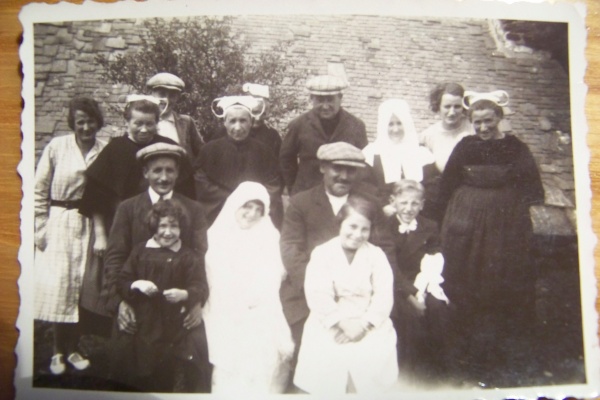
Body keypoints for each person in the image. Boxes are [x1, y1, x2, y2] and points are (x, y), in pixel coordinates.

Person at [437, 90, 544, 387]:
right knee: (465, 277)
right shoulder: (465, 145)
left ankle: (498, 354)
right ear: (470, 122)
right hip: (466, 220)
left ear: (499, 118)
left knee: (498, 280)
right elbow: (447, 185)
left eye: (488, 121)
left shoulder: (516, 147)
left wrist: (511, 212)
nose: (483, 128)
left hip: (505, 223)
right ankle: (464, 350)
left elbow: (532, 188)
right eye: (477, 122)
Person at [279, 142, 395, 381]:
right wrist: (327, 299)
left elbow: (384, 248)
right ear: (323, 167)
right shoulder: (301, 202)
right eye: (337, 168)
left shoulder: (370, 203)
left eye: (351, 170)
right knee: (314, 347)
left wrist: (362, 319)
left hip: (364, 294)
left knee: (375, 348)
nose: (343, 176)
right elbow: (291, 249)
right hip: (310, 292)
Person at [104, 142, 210, 392]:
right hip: (138, 302)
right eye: (157, 170)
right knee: (123, 361)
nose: (164, 177)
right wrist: (120, 302)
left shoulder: (193, 209)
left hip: (180, 304)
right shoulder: (128, 208)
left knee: (198, 356)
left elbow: (201, 257)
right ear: (145, 173)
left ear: (178, 173)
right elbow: (115, 258)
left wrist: (195, 302)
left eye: (170, 171)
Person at [293, 196, 399, 395]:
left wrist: (364, 325)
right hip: (331, 321)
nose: (357, 234)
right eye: (352, 226)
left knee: (369, 363)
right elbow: (317, 294)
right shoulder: (322, 253)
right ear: (340, 224)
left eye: (364, 229)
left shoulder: (376, 255)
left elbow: (384, 296)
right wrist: (342, 323)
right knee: (326, 361)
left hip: (367, 322)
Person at [34, 96, 107, 375]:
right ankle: (56, 353)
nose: (86, 127)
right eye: (80, 122)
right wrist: (40, 229)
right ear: (73, 123)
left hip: (89, 223)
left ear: (97, 122)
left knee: (81, 289)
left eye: (90, 121)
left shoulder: (104, 150)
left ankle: (75, 348)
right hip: (59, 222)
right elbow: (39, 190)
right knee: (59, 288)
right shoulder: (57, 147)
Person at [202, 182, 294, 395]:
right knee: (231, 361)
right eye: (247, 207)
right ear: (235, 205)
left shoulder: (269, 235)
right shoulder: (217, 235)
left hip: (260, 303)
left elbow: (275, 272)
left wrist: (256, 297)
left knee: (263, 351)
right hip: (225, 304)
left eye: (258, 209)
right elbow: (214, 274)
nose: (252, 214)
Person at [79, 96, 195, 235]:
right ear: (127, 122)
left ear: (157, 123)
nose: (144, 130)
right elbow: (96, 198)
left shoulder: (168, 148)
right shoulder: (114, 149)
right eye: (138, 123)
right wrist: (100, 235)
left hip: (163, 228)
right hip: (118, 227)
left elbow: (187, 194)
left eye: (149, 124)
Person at [385, 180, 450, 385]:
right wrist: (411, 295)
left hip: (422, 281)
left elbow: (433, 260)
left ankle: (436, 369)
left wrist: (422, 290)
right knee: (407, 315)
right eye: (403, 203)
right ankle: (407, 374)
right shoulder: (385, 227)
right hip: (395, 284)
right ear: (392, 202)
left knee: (438, 308)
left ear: (422, 204)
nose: (408, 209)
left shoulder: (429, 226)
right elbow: (390, 267)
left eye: (414, 204)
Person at [195, 95, 283, 226]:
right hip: (217, 214)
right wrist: (233, 199)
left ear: (251, 122)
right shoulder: (209, 150)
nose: (237, 127)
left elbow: (273, 184)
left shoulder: (264, 151)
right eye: (232, 121)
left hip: (253, 215)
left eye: (243, 121)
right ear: (224, 122)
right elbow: (202, 183)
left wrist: (252, 201)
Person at [280, 74, 368, 195]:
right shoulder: (298, 125)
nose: (325, 106)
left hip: (343, 194)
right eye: (320, 100)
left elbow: (363, 162)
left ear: (340, 97)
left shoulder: (356, 126)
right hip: (307, 192)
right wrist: (294, 188)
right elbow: (286, 159)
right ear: (312, 98)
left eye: (330, 99)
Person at [362, 99, 435, 207]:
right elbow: (366, 190)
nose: (395, 129)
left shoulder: (422, 155)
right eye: (390, 124)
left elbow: (430, 190)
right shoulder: (371, 154)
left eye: (399, 123)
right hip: (382, 213)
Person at [419, 82, 473, 221]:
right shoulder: (428, 136)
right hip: (442, 201)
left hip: (470, 199)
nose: (452, 112)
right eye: (447, 106)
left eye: (457, 106)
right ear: (438, 107)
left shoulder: (473, 130)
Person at [207, 83, 282, 157]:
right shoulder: (223, 133)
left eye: (263, 113)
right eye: (255, 112)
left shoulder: (272, 136)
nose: (258, 118)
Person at [146, 72, 204, 163]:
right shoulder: (143, 122)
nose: (167, 100)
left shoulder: (186, 122)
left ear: (177, 97)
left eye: (172, 95)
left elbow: (202, 154)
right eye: (162, 94)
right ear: (151, 94)